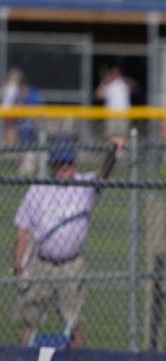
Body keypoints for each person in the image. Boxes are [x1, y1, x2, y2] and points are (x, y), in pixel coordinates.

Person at [12, 138, 124, 347]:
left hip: (72, 265)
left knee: (74, 323)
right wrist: (19, 265)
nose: (65, 168)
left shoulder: (83, 185)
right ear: (52, 166)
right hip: (41, 264)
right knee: (30, 322)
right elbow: (23, 230)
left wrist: (113, 152)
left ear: (75, 164)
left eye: (69, 163)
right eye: (60, 164)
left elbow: (103, 174)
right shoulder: (39, 188)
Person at [94, 66, 132, 139]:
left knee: (123, 134)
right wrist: (105, 82)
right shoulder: (107, 85)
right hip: (111, 114)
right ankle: (114, 148)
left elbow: (135, 87)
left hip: (123, 114)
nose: (115, 74)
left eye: (117, 72)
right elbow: (97, 95)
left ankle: (120, 149)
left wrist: (125, 79)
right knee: (110, 135)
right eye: (113, 73)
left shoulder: (124, 83)